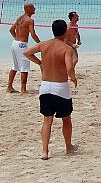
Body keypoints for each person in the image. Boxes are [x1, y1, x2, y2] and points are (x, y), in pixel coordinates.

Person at [24, 20, 78, 160]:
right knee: (66, 118)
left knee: (47, 120)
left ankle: (45, 152)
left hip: (45, 86)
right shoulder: (66, 48)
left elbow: (27, 52)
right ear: (65, 31)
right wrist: (73, 78)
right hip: (60, 86)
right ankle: (68, 146)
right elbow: (69, 68)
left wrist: (40, 63)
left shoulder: (44, 45)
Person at [8, 3, 42, 94]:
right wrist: (40, 44)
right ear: (29, 9)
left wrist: (17, 39)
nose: (35, 8)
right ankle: (23, 89)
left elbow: (11, 30)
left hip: (15, 43)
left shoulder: (19, 18)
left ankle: (9, 87)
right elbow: (33, 34)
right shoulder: (30, 20)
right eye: (33, 7)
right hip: (21, 45)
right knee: (24, 67)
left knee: (15, 66)